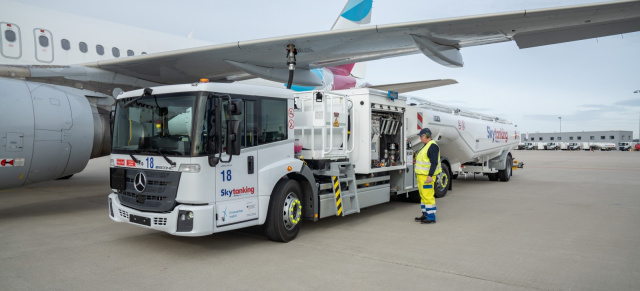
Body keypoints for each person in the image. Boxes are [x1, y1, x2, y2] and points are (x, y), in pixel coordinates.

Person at [414, 128, 441, 224]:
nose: (420, 138)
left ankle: (431, 217)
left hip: (427, 177)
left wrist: (430, 176)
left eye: (421, 136)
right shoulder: (426, 146)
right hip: (422, 176)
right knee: (423, 196)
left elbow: (434, 163)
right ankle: (425, 214)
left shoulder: (432, 146)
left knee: (428, 196)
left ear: (427, 135)